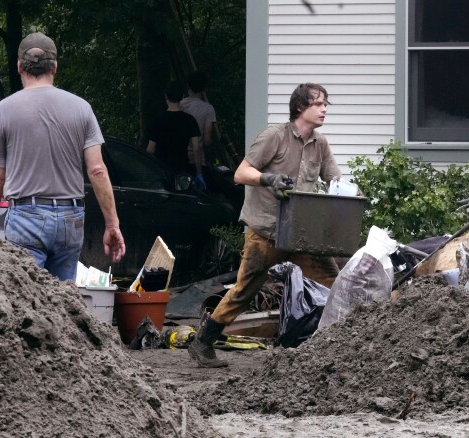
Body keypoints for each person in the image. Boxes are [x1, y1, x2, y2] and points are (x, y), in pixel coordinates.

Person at [188, 83, 341, 368]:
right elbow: (241, 172)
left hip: (302, 233)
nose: (324, 109)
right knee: (245, 290)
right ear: (300, 108)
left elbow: (335, 180)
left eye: (325, 104)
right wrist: (268, 179)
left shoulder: (320, 144)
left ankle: (348, 345)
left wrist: (345, 194)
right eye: (318, 104)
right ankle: (203, 342)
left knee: (335, 283)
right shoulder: (275, 136)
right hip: (267, 230)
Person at [0, 32, 125, 281]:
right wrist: (112, 225)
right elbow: (98, 170)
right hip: (71, 219)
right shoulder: (82, 108)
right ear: (55, 67)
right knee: (63, 303)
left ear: (19, 67)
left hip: (26, 216)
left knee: (27, 301)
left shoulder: (3, 110)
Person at [146, 80, 203, 188]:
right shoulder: (189, 120)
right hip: (182, 169)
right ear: (182, 96)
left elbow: (150, 149)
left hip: (162, 169)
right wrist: (199, 173)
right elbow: (196, 148)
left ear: (165, 96)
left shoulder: (158, 121)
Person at [179, 71, 217, 178]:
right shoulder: (208, 109)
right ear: (204, 88)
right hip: (198, 160)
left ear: (188, 85)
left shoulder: (180, 105)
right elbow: (207, 140)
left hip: (179, 156)